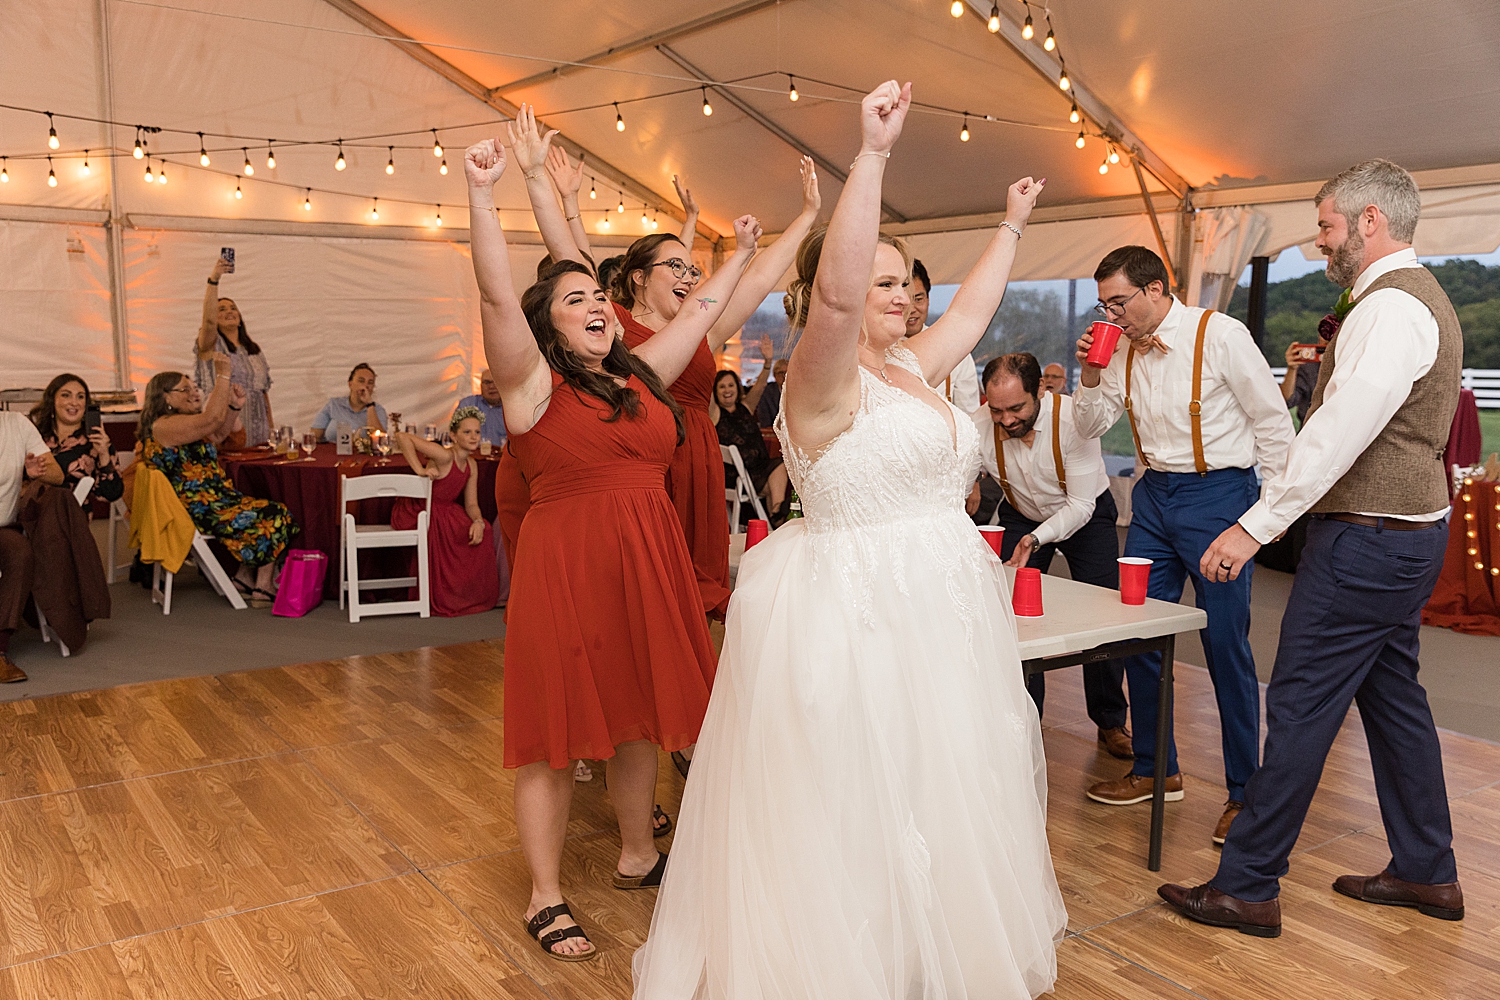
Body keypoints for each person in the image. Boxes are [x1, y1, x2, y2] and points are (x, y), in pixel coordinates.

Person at [634, 81, 1065, 998]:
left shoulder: (914, 365)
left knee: (935, 784)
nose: (902, 296)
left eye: (906, 282)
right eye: (882, 278)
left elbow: (977, 313)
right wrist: (870, 160)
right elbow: (834, 301)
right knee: (855, 797)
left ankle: (923, 956)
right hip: (858, 609)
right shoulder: (820, 379)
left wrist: (1012, 225)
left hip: (943, 607)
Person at [464, 129, 760, 963]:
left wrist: (736, 255)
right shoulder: (530, 386)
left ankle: (638, 853)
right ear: (548, 330)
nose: (597, 305)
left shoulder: (639, 376)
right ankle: (545, 894)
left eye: (600, 294)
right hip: (568, 573)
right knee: (556, 739)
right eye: (575, 300)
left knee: (641, 719)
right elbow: (495, 299)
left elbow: (701, 311)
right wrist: (486, 196)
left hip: (648, 564)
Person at [1159, 159, 1465, 938]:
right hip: (1404, 538)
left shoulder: (1391, 310)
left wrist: (1252, 524)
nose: (1320, 239)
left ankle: (1249, 885)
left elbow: (1336, 434)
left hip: (1366, 543)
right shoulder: (1408, 299)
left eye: (1328, 224)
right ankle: (1428, 870)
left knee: (1298, 709)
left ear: (1369, 220)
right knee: (1396, 705)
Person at [511, 104, 823, 620]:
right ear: (638, 278)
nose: (688, 274)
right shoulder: (610, 324)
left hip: (697, 457)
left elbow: (758, 278)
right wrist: (543, 184)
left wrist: (806, 218)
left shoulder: (700, 329)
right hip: (638, 457)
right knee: (639, 597)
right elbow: (567, 250)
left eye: (692, 267)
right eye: (674, 266)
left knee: (694, 596)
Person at [1071, 246, 1295, 845]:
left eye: (1119, 302)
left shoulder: (1220, 335)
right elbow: (1090, 426)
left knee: (1225, 645)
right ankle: (1155, 767)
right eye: (1104, 305)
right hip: (1153, 500)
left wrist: (1264, 521)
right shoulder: (1118, 346)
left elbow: (1275, 423)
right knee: (1135, 632)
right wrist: (1091, 374)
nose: (1112, 315)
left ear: (1154, 289)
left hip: (1219, 497)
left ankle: (1245, 793)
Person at [975, 352, 1131, 759]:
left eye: (1016, 408)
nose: (1007, 420)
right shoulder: (979, 426)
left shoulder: (1074, 421)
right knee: (1011, 616)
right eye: (996, 410)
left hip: (1085, 512)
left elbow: (1079, 506)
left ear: (1040, 390)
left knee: (1102, 616)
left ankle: (1111, 720)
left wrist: (1036, 539)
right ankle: (1025, 720)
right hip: (1020, 512)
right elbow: (959, 482)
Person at [140, 357, 297, 608]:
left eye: (194, 388)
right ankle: (263, 587)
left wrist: (233, 407)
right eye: (185, 389)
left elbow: (218, 433)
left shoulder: (185, 424)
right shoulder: (164, 426)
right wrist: (223, 375)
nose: (193, 393)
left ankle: (244, 578)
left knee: (270, 509)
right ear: (165, 398)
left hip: (216, 499)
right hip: (196, 507)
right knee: (274, 513)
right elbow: (211, 421)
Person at [391, 406, 500, 617]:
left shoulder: (471, 464)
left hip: (445, 509)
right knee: (453, 531)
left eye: (476, 432)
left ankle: (465, 595)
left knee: (484, 528)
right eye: (467, 432)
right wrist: (420, 470)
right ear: (453, 435)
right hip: (419, 509)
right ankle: (447, 595)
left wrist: (477, 521)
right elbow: (403, 437)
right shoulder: (444, 456)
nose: (473, 437)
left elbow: (471, 505)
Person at [0, 411, 63, 682]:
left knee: (21, 554)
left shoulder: (16, 424)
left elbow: (58, 475)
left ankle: (0, 650)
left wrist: (35, 473)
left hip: (2, 527)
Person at [195, 255, 273, 446]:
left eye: (232, 308)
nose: (228, 311)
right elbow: (208, 321)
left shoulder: (253, 350)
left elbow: (263, 394)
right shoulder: (211, 346)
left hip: (259, 432)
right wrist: (214, 280)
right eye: (221, 309)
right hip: (226, 430)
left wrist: (271, 429)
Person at [710, 337, 788, 520]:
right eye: (721, 387)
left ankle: (775, 516)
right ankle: (777, 516)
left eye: (730, 385)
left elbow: (760, 385)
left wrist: (768, 362)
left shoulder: (746, 407)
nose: (727, 390)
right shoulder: (715, 413)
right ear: (715, 391)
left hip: (760, 472)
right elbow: (706, 388)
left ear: (737, 388)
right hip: (739, 476)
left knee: (776, 474)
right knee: (779, 466)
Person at [29, 373, 124, 505]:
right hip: (30, 516)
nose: (74, 402)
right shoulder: (34, 435)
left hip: (72, 519)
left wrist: (103, 454)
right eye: (66, 395)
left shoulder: (95, 441)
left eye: (80, 397)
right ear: (52, 400)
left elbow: (112, 494)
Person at [907, 257, 982, 413]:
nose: (912, 309)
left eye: (918, 299)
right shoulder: (874, 351)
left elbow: (969, 414)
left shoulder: (955, 350)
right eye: (905, 302)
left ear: (928, 299)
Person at [312, 363, 387, 442]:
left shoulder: (378, 410)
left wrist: (370, 405)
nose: (366, 385)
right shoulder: (333, 405)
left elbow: (380, 441)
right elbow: (314, 436)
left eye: (370, 382)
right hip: (332, 452)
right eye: (361, 381)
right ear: (350, 384)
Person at [1280, 317, 1334, 424]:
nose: (1327, 338)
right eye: (1324, 333)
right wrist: (1292, 368)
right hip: (1308, 428)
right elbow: (1287, 401)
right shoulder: (1307, 367)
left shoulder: (1353, 365)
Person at [453, 369, 507, 447]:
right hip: (472, 456)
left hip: (502, 457)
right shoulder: (467, 404)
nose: (491, 386)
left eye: (495, 381)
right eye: (487, 382)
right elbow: (455, 434)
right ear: (480, 385)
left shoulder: (512, 409)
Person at [754, 355, 790, 428]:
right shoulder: (766, 393)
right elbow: (765, 421)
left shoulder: (799, 392)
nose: (784, 376)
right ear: (774, 375)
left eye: (787, 373)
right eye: (781, 373)